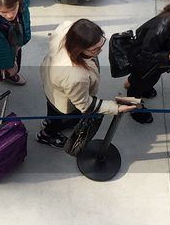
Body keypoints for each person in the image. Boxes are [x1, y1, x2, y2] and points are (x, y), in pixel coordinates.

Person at [37, 17, 139, 147]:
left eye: (101, 43)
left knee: (53, 111)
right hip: (64, 101)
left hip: (52, 85)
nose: (100, 51)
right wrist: (116, 108)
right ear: (79, 49)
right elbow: (85, 105)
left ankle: (50, 121)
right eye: (95, 49)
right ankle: (47, 134)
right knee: (62, 118)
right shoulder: (76, 76)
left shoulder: (68, 29)